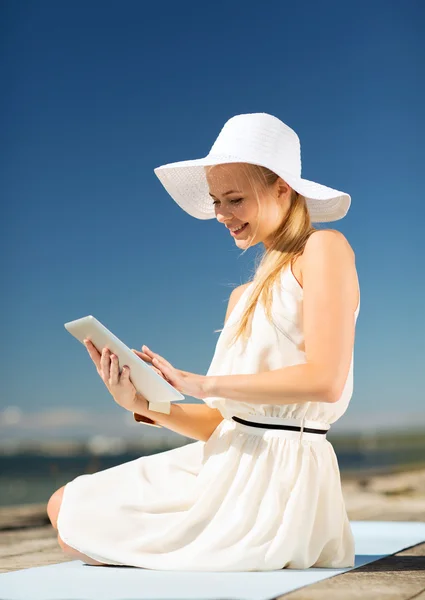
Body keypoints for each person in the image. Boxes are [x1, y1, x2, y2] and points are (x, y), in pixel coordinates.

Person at [48, 112, 360, 571]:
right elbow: (225, 424)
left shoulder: (324, 249)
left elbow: (326, 381)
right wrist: (143, 403)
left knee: (77, 531)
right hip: (229, 460)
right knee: (65, 504)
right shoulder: (241, 298)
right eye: (216, 201)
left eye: (234, 199)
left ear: (282, 188)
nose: (220, 215)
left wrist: (204, 384)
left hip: (278, 481)